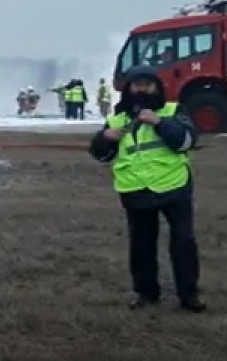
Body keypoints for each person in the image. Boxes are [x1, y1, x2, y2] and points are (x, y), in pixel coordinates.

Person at [88, 65, 206, 313]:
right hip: (136, 190)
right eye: (137, 85)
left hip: (174, 187)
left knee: (183, 242)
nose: (142, 89)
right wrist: (104, 138)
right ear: (129, 89)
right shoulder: (118, 119)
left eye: (147, 84)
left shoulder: (174, 111)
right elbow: (101, 155)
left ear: (157, 87)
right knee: (141, 246)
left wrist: (160, 122)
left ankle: (189, 296)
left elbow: (186, 141)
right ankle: (146, 294)